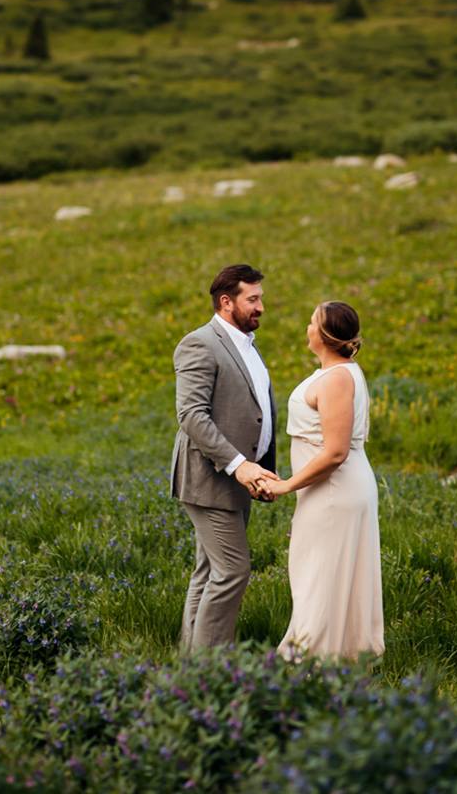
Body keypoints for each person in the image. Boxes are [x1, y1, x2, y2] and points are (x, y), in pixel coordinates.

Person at [262, 301, 383, 659]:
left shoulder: (336, 379)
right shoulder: (338, 372)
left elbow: (335, 452)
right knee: (327, 570)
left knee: (318, 573)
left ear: (325, 335)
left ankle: (308, 658)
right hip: (335, 489)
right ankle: (344, 655)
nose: (308, 328)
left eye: (312, 322)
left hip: (335, 490)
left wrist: (285, 485)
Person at [170, 264, 280, 650]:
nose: (261, 306)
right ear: (226, 301)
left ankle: (188, 665)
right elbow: (191, 416)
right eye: (253, 299)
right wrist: (240, 466)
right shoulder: (200, 343)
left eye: (261, 298)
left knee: (208, 572)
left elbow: (253, 412)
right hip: (210, 480)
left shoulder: (247, 345)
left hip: (239, 480)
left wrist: (263, 471)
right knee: (233, 571)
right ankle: (210, 676)